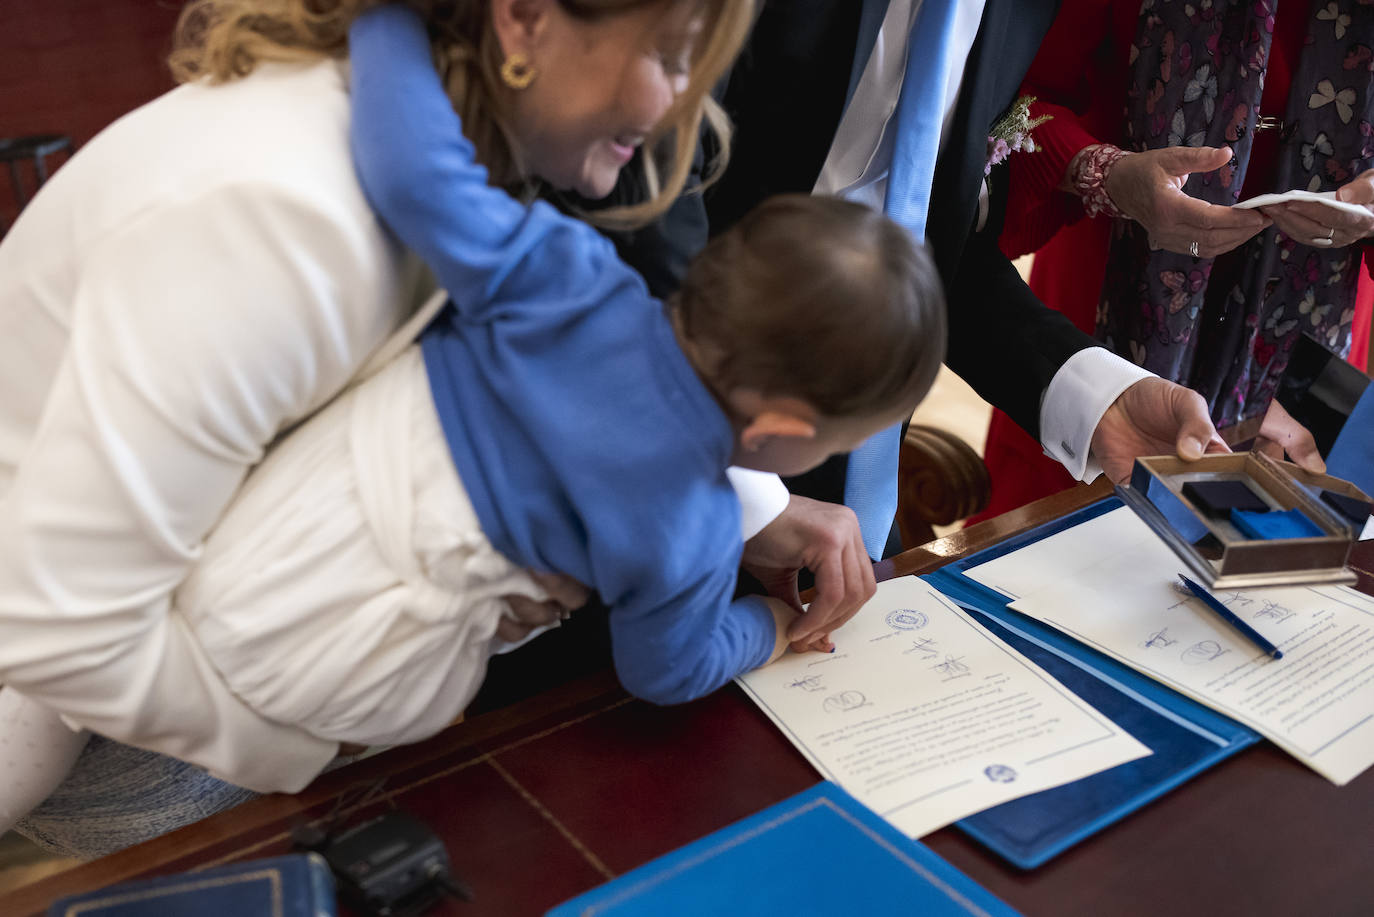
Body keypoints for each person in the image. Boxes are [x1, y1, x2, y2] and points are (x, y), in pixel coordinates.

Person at [0, 0, 760, 854]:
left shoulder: (429, 142)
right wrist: (325, 747)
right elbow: (67, 632)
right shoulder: (289, 212)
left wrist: (749, 504)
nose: (685, 110)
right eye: (670, 56)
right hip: (99, 721)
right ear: (522, 20)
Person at [161, 5, 946, 761]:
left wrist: (387, 15)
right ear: (781, 430)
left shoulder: (565, 275)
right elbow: (665, 670)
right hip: (330, 676)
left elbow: (417, 175)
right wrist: (773, 623)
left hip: (242, 542)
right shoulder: (692, 530)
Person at [604, 0, 1232, 659]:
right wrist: (739, 497)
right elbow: (641, 190)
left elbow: (924, 237)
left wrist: (1095, 392)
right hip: (632, 439)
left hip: (840, 501)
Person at [976, 0, 1374, 522]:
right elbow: (999, 104)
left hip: (1318, 322)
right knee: (1057, 560)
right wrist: (1103, 172)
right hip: (1108, 300)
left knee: (1279, 558)